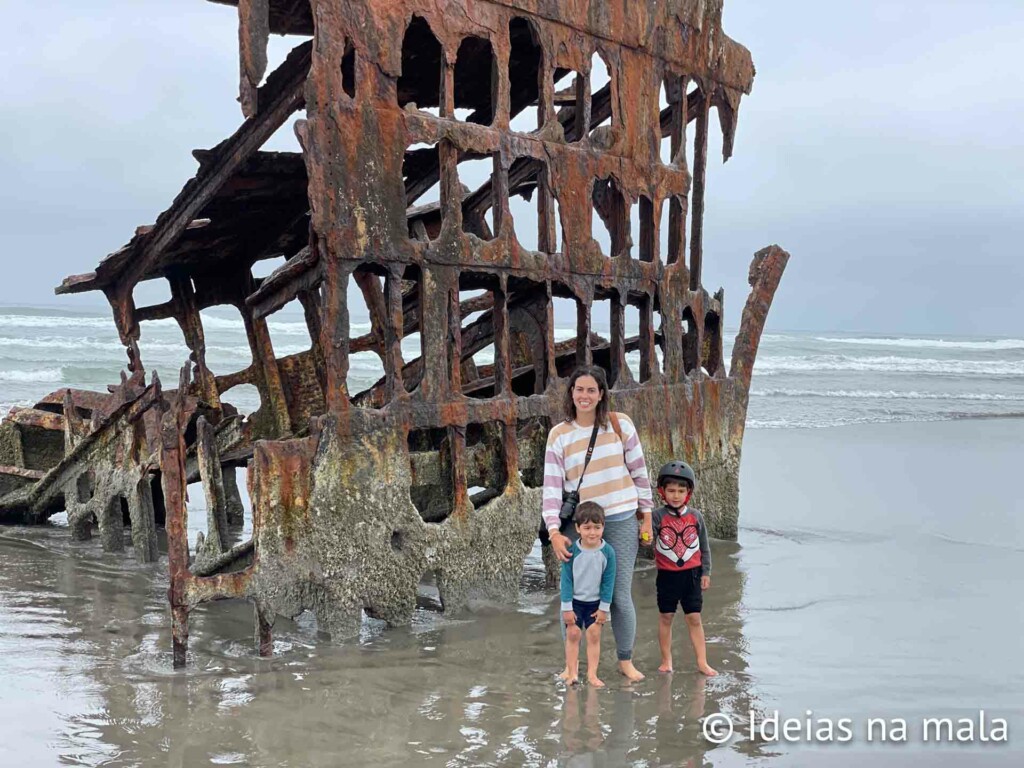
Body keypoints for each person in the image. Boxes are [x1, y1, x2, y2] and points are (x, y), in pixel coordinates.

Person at [543, 365, 654, 682]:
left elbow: (639, 472)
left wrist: (646, 514)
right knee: (572, 596)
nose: (585, 396)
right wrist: (553, 532)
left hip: (619, 518)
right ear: (571, 393)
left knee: (619, 595)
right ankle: (571, 667)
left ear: (602, 394)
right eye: (579, 389)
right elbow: (552, 489)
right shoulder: (559, 435)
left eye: (592, 390)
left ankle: (625, 660)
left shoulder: (620, 425)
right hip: (579, 525)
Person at [651, 460, 717, 676]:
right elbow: (646, 540)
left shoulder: (696, 516)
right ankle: (666, 660)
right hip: (667, 576)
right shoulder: (657, 516)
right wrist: (643, 534)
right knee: (666, 617)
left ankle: (702, 662)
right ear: (663, 491)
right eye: (671, 490)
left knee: (694, 618)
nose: (676, 495)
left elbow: (704, 546)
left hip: (692, 575)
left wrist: (706, 572)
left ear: (689, 492)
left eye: (681, 491)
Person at [559, 501, 616, 687]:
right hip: (574, 602)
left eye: (597, 527)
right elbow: (566, 581)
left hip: (595, 604)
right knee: (573, 635)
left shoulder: (608, 553)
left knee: (593, 636)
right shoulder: (571, 552)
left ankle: (592, 674)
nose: (592, 532)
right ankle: (572, 672)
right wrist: (566, 608)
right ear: (577, 528)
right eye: (587, 528)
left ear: (603, 527)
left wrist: (604, 608)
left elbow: (609, 582)